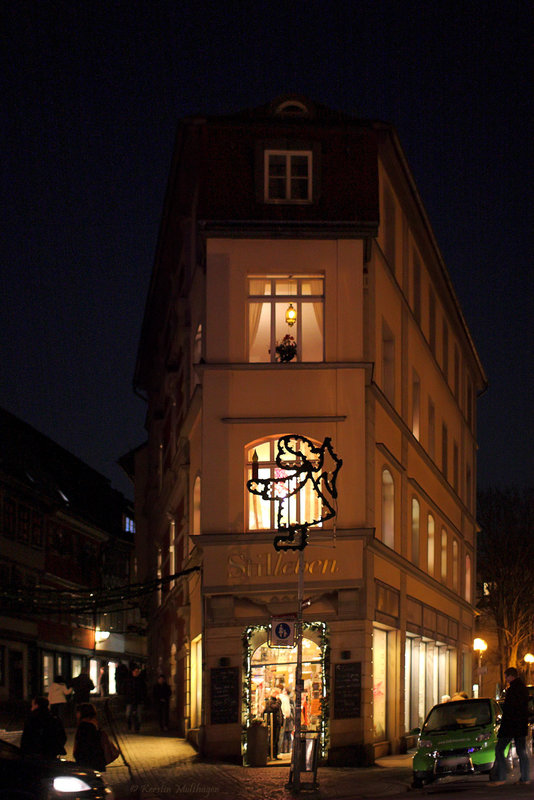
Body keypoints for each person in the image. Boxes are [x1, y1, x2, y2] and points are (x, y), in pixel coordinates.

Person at [491, 667, 530, 786]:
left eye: (507, 677)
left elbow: (509, 710)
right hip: (520, 725)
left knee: (499, 749)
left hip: (510, 726)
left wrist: (504, 727)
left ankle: (501, 777)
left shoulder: (513, 690)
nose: (506, 679)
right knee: (521, 751)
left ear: (511, 676)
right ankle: (525, 777)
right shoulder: (522, 688)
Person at [73, 703, 107, 772]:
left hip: (86, 758)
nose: (76, 714)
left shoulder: (84, 725)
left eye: (78, 712)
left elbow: (81, 742)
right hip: (96, 756)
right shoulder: (94, 723)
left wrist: (76, 754)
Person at [124, 664, 148, 732]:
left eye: (138, 671)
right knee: (128, 714)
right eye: (135, 671)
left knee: (138, 715)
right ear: (132, 672)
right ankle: (129, 725)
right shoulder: (129, 680)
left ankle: (137, 728)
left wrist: (143, 699)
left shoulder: (141, 681)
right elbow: (125, 689)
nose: (136, 672)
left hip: (139, 700)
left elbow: (144, 691)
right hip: (130, 700)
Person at [263, 689, 283, 759]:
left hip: (276, 723)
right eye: (278, 694)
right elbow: (275, 708)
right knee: (274, 739)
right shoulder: (271, 702)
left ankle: (274, 754)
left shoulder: (272, 702)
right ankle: (272, 754)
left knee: (275, 739)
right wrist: (278, 701)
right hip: (274, 723)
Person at [279, 688, 294, 754]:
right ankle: (286, 749)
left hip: (287, 719)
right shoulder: (288, 700)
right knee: (287, 734)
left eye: (284, 690)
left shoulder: (286, 700)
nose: (282, 692)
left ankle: (285, 749)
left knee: (285, 734)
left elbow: (291, 711)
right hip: (289, 719)